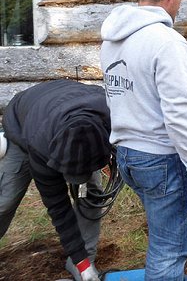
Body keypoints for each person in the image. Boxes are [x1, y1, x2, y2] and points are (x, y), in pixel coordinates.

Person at [100, 0, 187, 281]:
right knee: (170, 248)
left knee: (163, 233)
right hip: (161, 158)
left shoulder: (112, 40)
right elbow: (178, 115)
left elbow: (117, 95)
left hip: (128, 156)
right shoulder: (167, 42)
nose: (180, 4)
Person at [0, 79, 112, 281]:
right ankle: (83, 263)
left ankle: (82, 266)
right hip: (24, 126)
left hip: (72, 115)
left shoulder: (112, 118)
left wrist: (83, 264)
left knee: (92, 195)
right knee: (5, 201)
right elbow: (59, 208)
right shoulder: (39, 145)